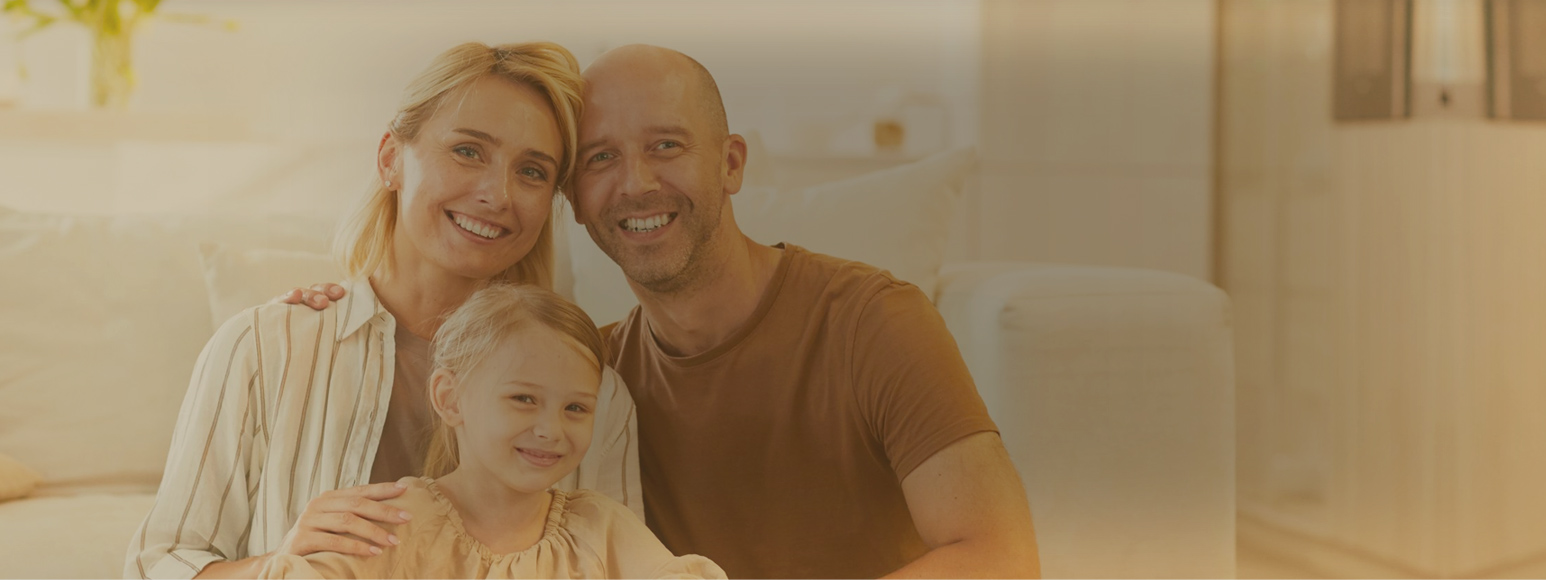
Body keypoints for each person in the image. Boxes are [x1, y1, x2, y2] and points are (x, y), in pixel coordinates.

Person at [289, 44, 1041, 578]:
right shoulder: (591, 382)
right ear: (574, 200)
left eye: (667, 146)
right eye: (601, 159)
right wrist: (340, 308)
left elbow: (1002, 556)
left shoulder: (870, 320)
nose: (636, 184)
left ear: (731, 163)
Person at [127, 41, 644, 579]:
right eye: (468, 151)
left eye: (533, 171)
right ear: (391, 159)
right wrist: (279, 567)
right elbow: (157, 566)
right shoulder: (261, 348)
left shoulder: (598, 399)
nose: (498, 194)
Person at [257, 284, 723, 579]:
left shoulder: (602, 529)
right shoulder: (392, 523)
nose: (551, 429)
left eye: (576, 407)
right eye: (523, 399)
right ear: (450, 399)